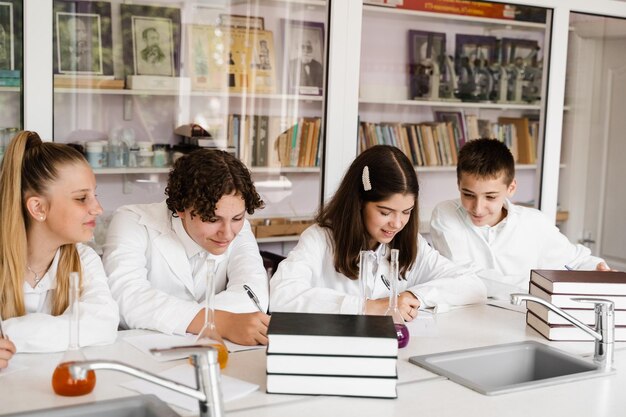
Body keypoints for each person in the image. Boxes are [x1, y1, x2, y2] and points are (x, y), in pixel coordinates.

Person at [270, 145, 486, 317]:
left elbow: (473, 286)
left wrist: (412, 296)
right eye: (385, 212)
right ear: (360, 202)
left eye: (406, 212)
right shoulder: (320, 238)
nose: (397, 223)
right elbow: (281, 296)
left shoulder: (409, 243)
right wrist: (369, 307)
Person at [103, 149, 270, 345]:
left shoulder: (237, 229)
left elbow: (253, 295)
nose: (227, 233)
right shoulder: (132, 221)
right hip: (141, 352)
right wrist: (222, 322)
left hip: (210, 350)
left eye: (237, 218)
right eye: (212, 219)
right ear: (181, 208)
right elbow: (126, 299)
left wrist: (180, 318)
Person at [430, 138, 610, 300]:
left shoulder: (534, 222)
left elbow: (575, 260)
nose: (477, 208)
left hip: (524, 321)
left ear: (511, 187)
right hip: (466, 320)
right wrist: (541, 285)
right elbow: (465, 276)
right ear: (458, 185)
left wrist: (597, 270)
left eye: (490, 197)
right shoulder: (446, 214)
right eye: (468, 194)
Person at [0, 131, 119, 355]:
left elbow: (102, 324)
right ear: (38, 208)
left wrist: (7, 335)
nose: (98, 209)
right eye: (81, 198)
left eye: (95, 195)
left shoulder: (84, 259)